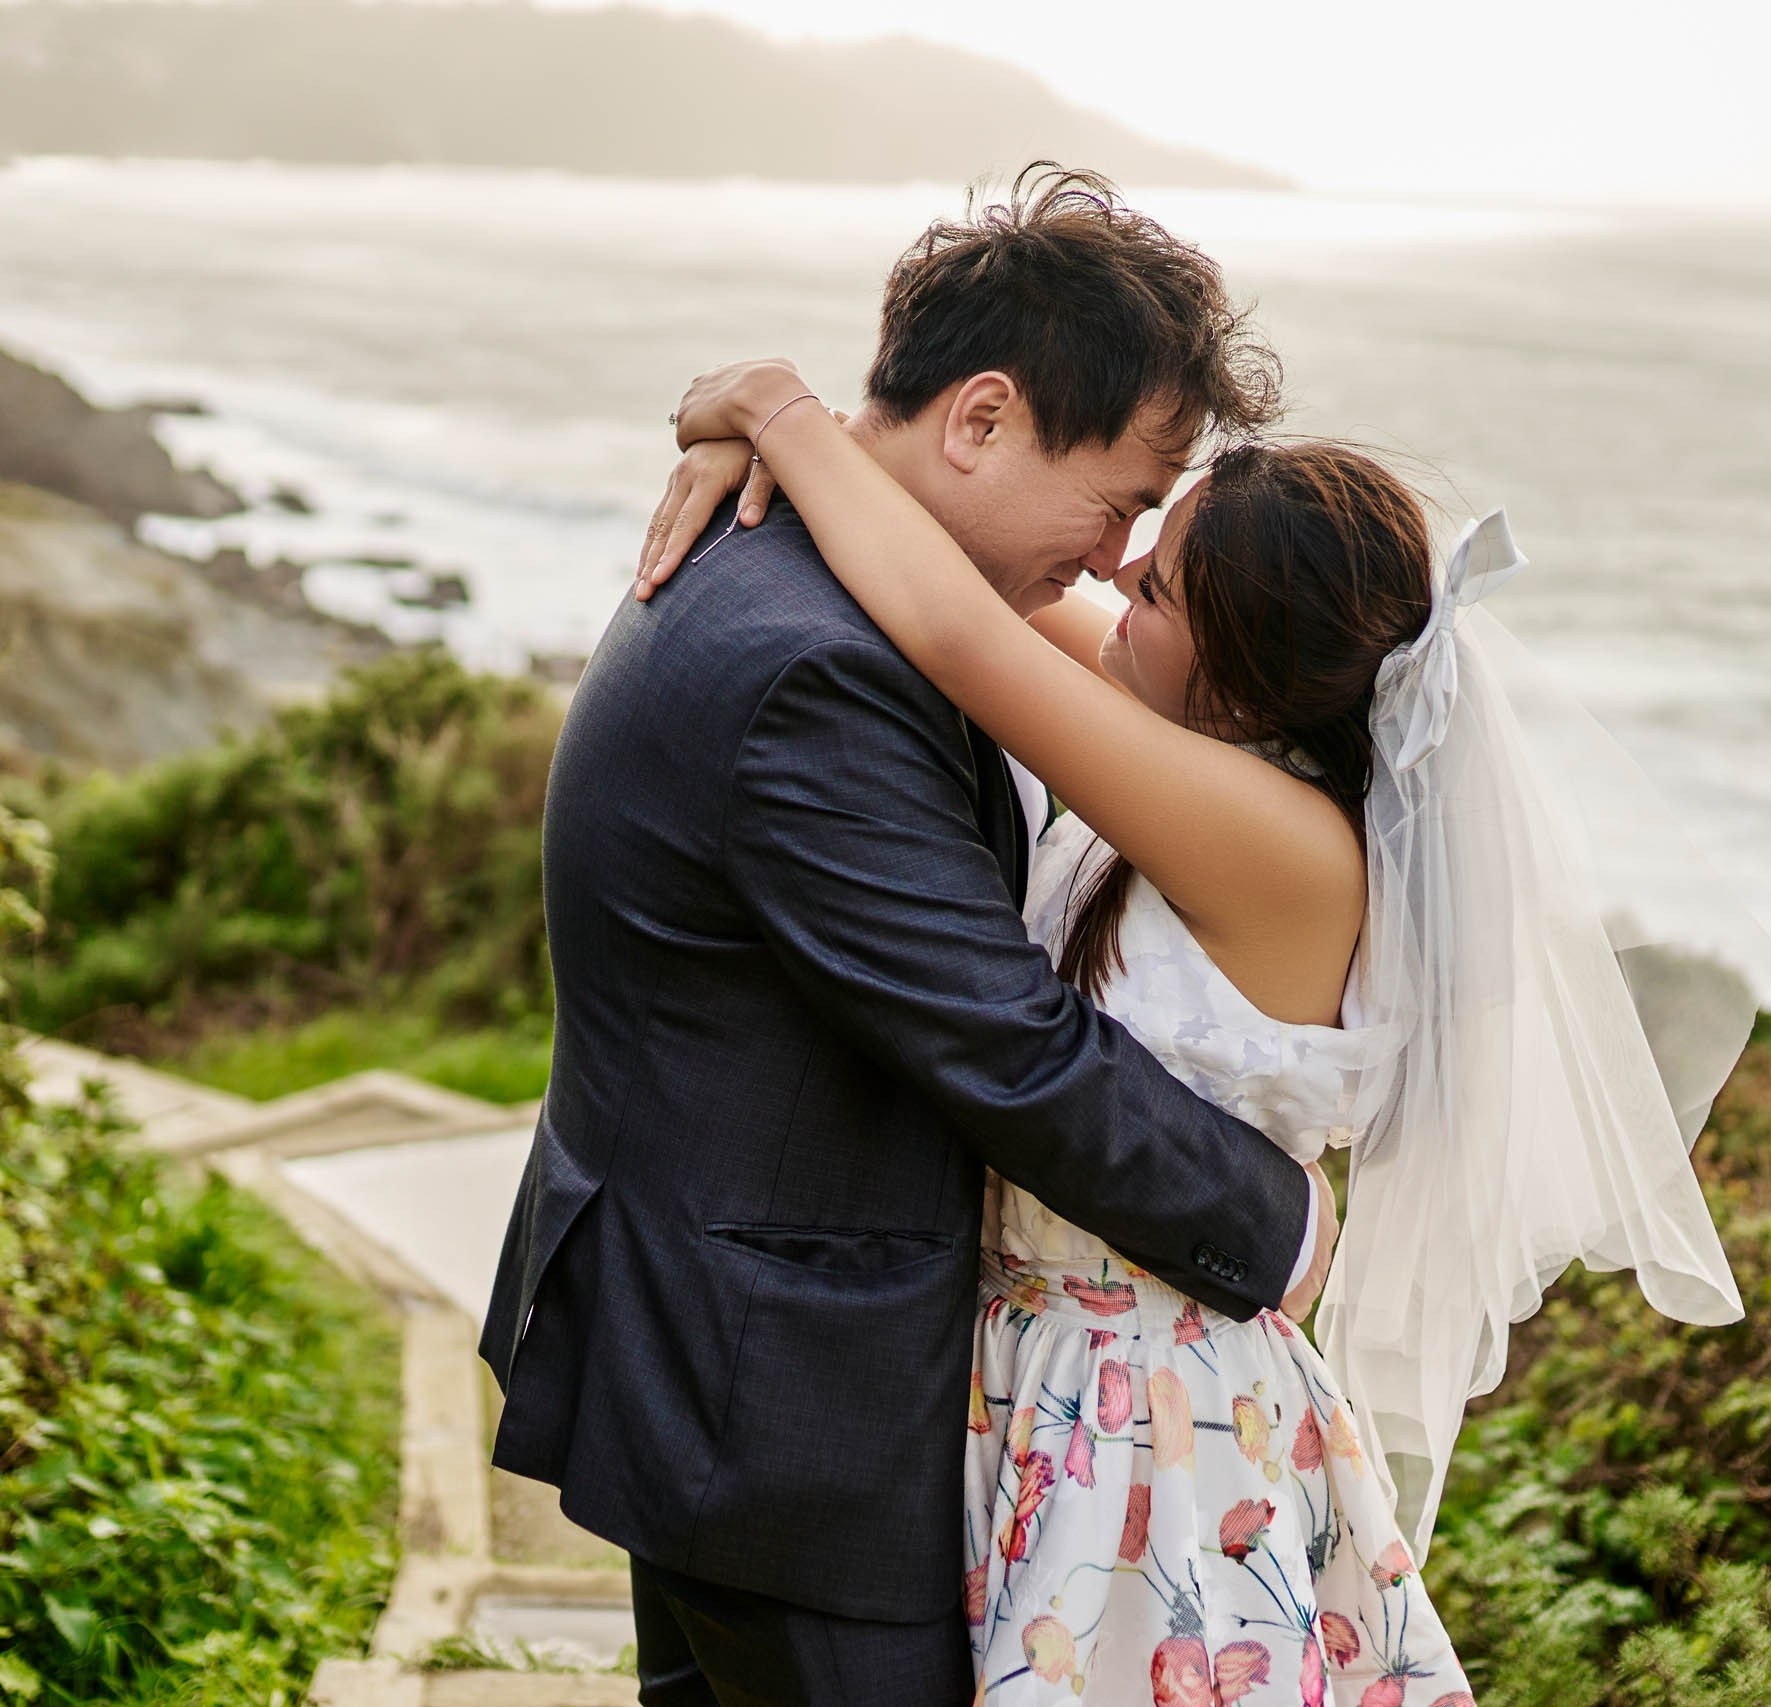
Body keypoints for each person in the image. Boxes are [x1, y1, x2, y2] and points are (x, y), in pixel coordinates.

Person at [639, 340, 1751, 1698]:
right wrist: (765, 441)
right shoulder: (1186, 736)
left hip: (1148, 1428)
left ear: (1238, 670)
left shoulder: (1281, 845)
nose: (1115, 577)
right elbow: (953, 568)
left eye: (1157, 584)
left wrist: (776, 410)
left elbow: (957, 632)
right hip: (1030, 1372)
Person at [479, 168, 1341, 1707]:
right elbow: (1003, 1041)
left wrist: (771, 413)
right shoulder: (816, 666)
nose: (1115, 557)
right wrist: (1275, 1224)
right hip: (777, 1401)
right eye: (1120, 502)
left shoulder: (802, 564)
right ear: (982, 418)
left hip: (722, 1350)